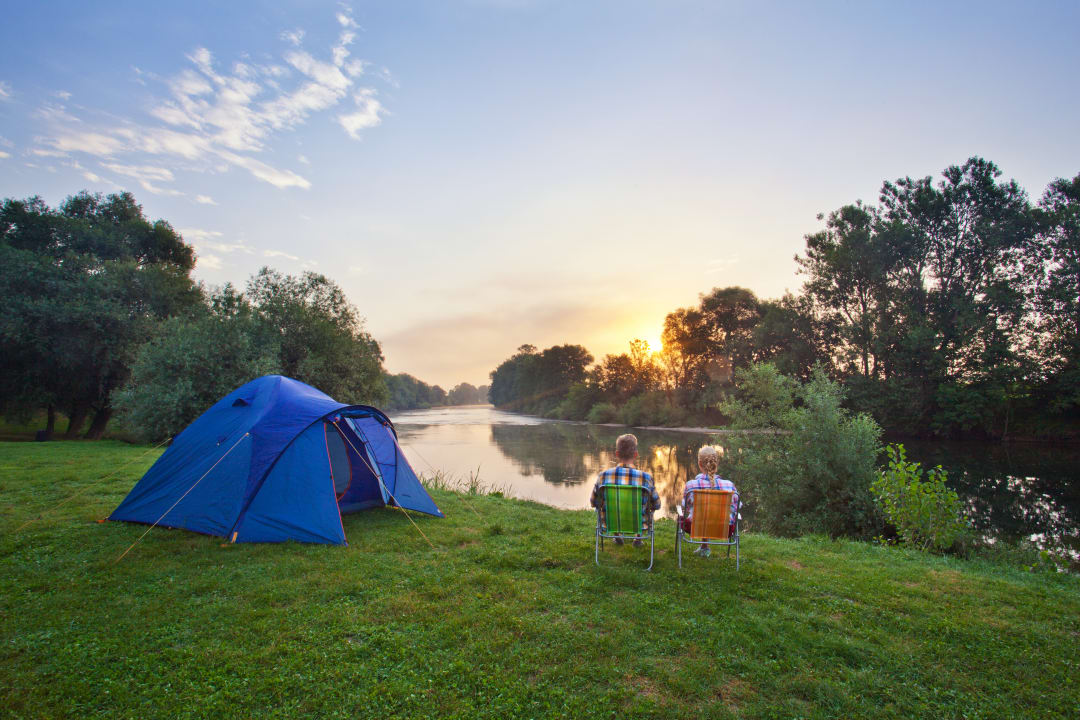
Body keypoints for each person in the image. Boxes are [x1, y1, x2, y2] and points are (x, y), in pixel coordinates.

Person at [590, 433, 660, 547]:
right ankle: (638, 539)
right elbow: (656, 504)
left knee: (604, 505)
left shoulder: (603, 476)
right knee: (647, 506)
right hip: (640, 524)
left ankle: (617, 534)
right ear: (636, 454)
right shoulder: (646, 478)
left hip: (609, 523)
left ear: (617, 454)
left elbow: (594, 503)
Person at [681, 445, 739, 557]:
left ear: (699, 463)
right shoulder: (729, 485)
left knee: (698, 516)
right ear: (716, 463)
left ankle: (704, 546)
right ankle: (704, 547)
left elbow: (685, 507)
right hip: (725, 529)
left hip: (695, 527)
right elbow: (736, 507)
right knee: (711, 515)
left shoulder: (691, 485)